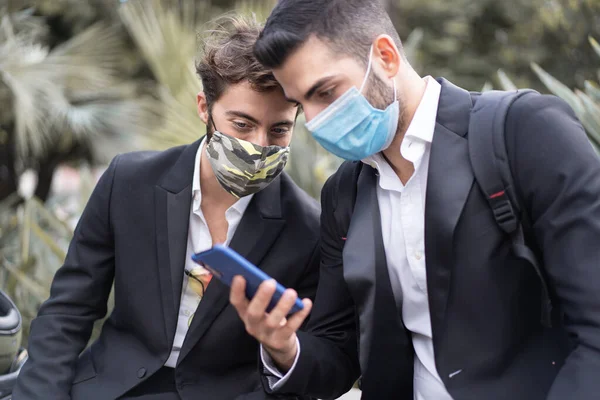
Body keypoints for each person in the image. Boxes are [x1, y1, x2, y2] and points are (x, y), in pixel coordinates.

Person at [230, 1, 600, 399]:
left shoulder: (524, 132)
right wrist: (285, 348)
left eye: (326, 91)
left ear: (386, 56)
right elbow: (340, 351)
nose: (317, 118)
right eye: (303, 104)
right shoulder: (344, 194)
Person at [13, 15, 320, 400]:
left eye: (279, 129)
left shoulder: (307, 228)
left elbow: (314, 357)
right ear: (204, 108)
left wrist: (282, 347)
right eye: (242, 124)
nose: (259, 145)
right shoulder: (128, 182)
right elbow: (68, 310)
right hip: (113, 387)